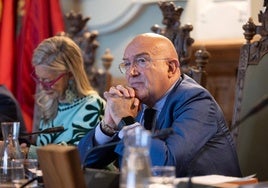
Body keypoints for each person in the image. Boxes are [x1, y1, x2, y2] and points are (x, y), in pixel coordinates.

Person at [78, 33, 242, 177]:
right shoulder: (133, 102)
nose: (131, 72)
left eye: (141, 61)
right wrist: (108, 125)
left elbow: (165, 167)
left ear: (171, 68)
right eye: (127, 64)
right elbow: (82, 163)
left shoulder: (198, 102)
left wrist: (125, 120)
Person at [30, 36, 105, 149]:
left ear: (70, 75)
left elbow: (76, 155)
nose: (42, 87)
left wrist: (28, 152)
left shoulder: (93, 106)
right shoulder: (50, 101)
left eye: (49, 81)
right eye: (39, 79)